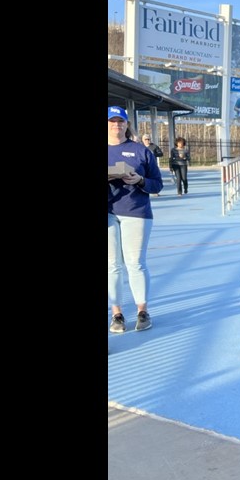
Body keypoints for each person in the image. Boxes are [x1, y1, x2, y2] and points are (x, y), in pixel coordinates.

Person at [108, 105, 164, 333]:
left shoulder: (142, 151)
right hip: (109, 212)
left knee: (136, 263)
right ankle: (117, 314)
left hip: (136, 211)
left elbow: (157, 184)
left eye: (120, 121)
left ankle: (142, 311)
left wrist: (140, 180)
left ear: (127, 124)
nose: (116, 125)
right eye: (112, 121)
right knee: (112, 266)